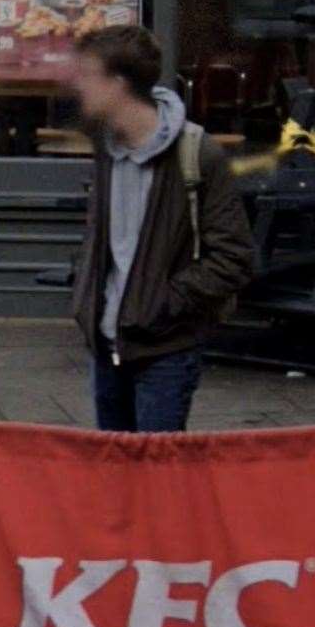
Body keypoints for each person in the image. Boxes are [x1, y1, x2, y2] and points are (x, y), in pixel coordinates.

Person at [68, 25, 254, 432]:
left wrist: (163, 304)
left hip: (165, 349)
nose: (77, 86)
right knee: (116, 475)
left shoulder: (196, 153)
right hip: (105, 345)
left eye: (87, 76)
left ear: (118, 85)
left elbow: (234, 258)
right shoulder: (104, 148)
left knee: (159, 477)